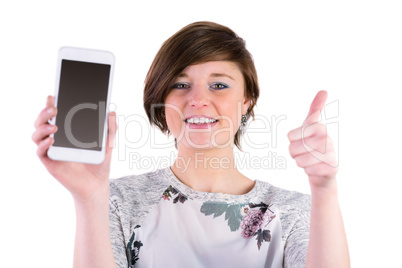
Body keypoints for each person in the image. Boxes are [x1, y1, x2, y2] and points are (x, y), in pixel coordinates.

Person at [32, 21, 350, 267]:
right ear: (161, 99)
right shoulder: (115, 202)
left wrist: (324, 189)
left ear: (247, 101)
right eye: (181, 84)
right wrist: (89, 197)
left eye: (219, 85)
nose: (198, 100)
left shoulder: (294, 213)